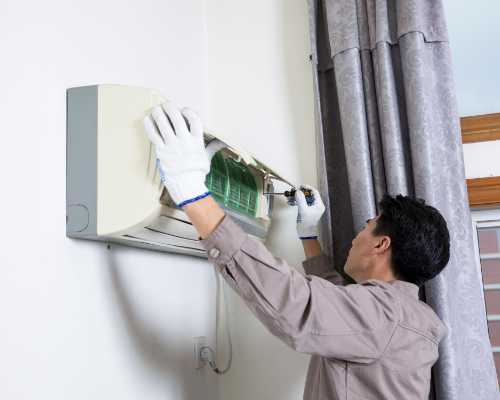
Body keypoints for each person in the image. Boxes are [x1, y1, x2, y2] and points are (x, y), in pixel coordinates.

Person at [143, 102, 451, 400]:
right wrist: (308, 234)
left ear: (382, 244)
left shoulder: (384, 315)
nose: (356, 238)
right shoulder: (408, 316)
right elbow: (338, 306)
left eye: (365, 228)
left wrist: (192, 193)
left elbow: (297, 305)